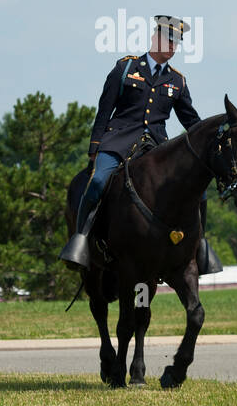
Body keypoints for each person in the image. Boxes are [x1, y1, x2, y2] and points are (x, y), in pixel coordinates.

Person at [61, 15, 220, 274]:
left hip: (157, 147)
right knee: (99, 180)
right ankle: (80, 240)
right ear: (155, 38)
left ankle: (199, 246)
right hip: (118, 140)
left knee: (199, 191)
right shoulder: (125, 68)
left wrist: (213, 140)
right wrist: (95, 148)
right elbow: (104, 110)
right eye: (169, 40)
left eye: (176, 42)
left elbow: (192, 121)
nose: (173, 47)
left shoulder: (177, 81)